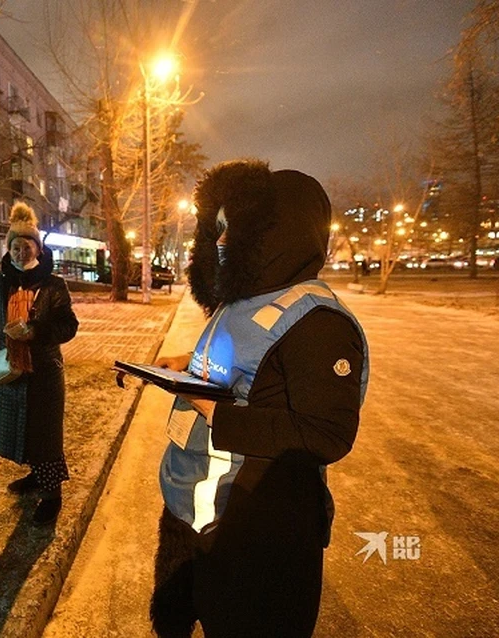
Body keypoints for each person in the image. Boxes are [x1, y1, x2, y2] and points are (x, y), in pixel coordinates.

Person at [149, 160, 369, 637]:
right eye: (219, 230)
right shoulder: (243, 303)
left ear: (275, 232)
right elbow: (250, 368)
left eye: (234, 231)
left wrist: (221, 416)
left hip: (257, 531)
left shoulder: (320, 323)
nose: (222, 244)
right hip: (200, 512)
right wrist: (189, 363)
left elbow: (326, 433)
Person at [0, 202, 79, 526]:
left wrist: (37, 331)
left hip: (44, 374)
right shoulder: (0, 282)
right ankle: (36, 476)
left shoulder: (53, 285)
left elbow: (68, 326)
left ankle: (52, 496)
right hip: (10, 371)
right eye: (14, 246)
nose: (19, 252)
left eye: (26, 246)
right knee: (20, 432)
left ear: (37, 248)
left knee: (44, 436)